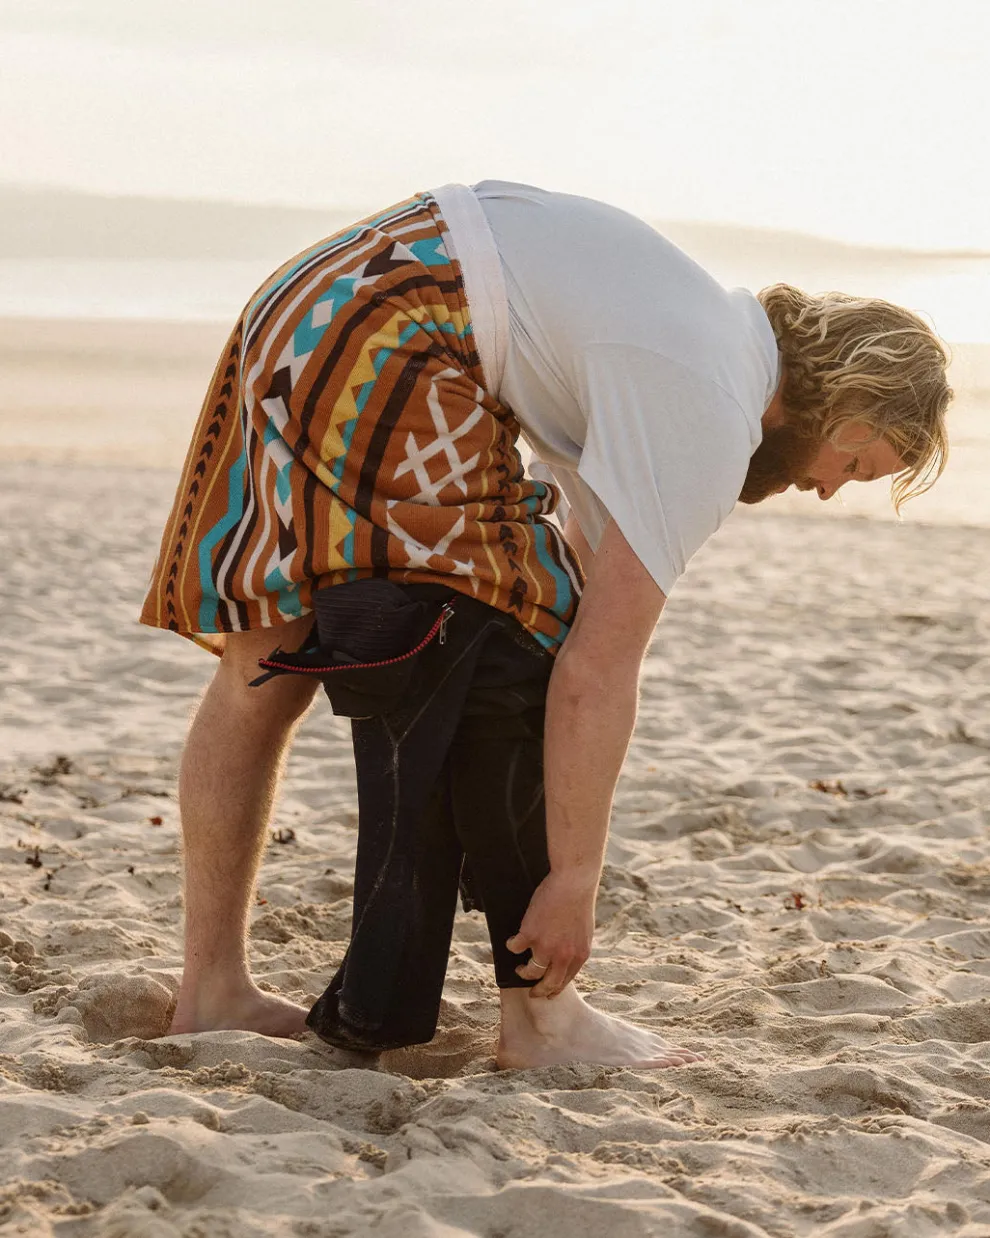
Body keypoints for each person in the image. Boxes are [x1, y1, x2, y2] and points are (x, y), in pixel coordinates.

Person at [141, 181, 951, 1070]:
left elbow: (585, 577)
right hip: (400, 330)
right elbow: (593, 671)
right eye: (855, 465)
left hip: (317, 300)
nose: (829, 491)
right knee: (512, 631)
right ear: (848, 404)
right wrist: (575, 880)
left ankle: (211, 989)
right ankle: (543, 1020)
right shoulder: (709, 406)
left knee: (267, 664)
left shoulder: (696, 339)